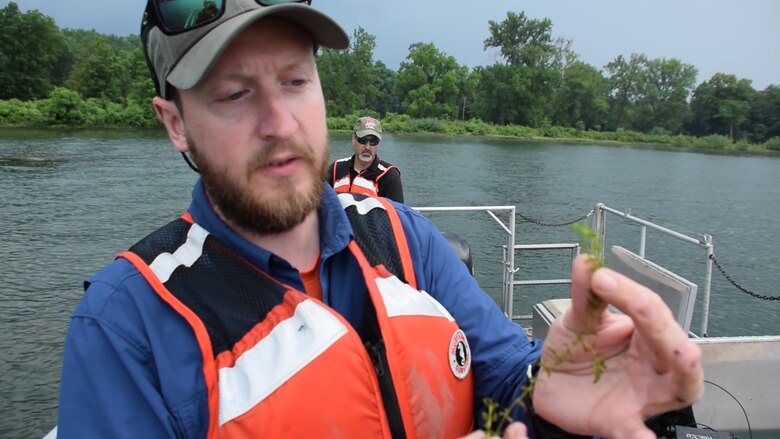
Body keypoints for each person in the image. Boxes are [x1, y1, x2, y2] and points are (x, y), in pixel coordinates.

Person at [55, 1, 703, 438]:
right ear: (174, 123)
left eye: (295, 80)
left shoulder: (400, 233)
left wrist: (557, 397)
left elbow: (510, 377)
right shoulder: (128, 325)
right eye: (234, 92)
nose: (280, 122)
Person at [328, 116, 404, 203]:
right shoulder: (336, 168)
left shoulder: (389, 175)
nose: (367, 147)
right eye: (362, 140)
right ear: (353, 139)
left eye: (373, 141)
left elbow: (396, 214)